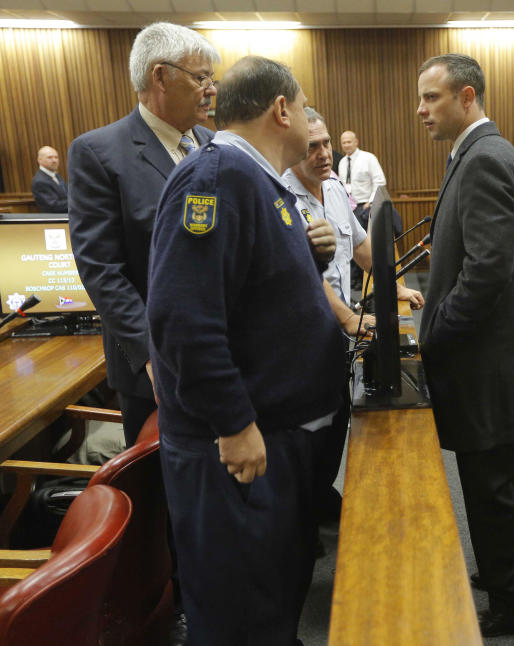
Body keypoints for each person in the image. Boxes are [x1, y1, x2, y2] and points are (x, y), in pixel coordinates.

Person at [147, 55, 345, 646]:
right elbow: (183, 317)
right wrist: (233, 421)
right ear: (282, 110)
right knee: (239, 612)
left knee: (271, 595)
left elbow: (248, 290)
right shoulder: (217, 178)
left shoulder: (257, 179)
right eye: (307, 108)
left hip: (275, 438)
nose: (310, 121)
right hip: (234, 450)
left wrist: (309, 258)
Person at [415, 52, 514, 637]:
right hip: (487, 365)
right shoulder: (475, 154)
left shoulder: (485, 159)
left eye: (432, 98)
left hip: (485, 367)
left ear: (467, 97)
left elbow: (488, 271)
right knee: (493, 487)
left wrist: (437, 334)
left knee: (491, 488)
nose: (421, 110)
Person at [69, 23, 222, 446]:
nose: (211, 89)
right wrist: (152, 355)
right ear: (160, 75)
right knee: (165, 498)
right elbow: (102, 269)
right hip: (154, 367)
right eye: (201, 77)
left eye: (212, 78)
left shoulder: (215, 144)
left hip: (224, 355)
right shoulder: (99, 153)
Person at [283, 108, 423, 320]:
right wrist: (348, 318)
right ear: (292, 148)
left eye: (326, 143)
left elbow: (359, 245)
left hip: (339, 320)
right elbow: (303, 275)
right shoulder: (281, 198)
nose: (324, 154)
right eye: (312, 146)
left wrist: (393, 287)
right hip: (306, 324)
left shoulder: (334, 188)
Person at [337, 129, 386, 223]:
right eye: (343, 143)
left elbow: (380, 181)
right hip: (348, 207)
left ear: (356, 142)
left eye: (349, 142)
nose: (346, 145)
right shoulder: (342, 162)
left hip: (365, 206)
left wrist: (371, 202)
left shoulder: (368, 158)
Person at [31, 146, 68, 212]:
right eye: (49, 157)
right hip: (56, 220)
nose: (54, 160)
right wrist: (77, 203)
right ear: (39, 160)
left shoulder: (57, 176)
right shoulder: (39, 181)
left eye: (56, 157)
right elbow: (53, 206)